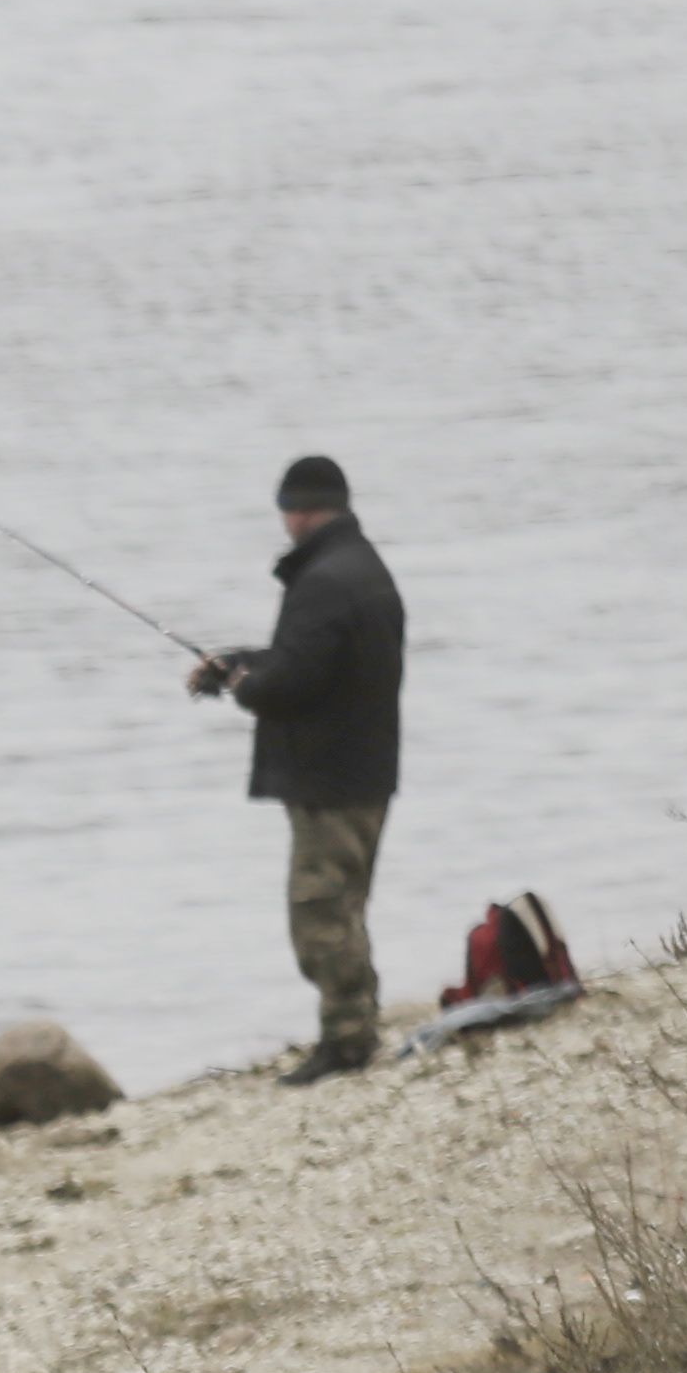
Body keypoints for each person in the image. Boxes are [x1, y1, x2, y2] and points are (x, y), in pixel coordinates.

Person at [183, 454, 407, 1083]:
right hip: (362, 773)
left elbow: (289, 682)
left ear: (300, 510)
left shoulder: (325, 582)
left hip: (330, 781)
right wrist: (236, 665)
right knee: (344, 905)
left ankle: (346, 1042)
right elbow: (302, 661)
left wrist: (242, 687)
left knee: (320, 911)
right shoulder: (360, 569)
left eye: (285, 509)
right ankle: (356, 1027)